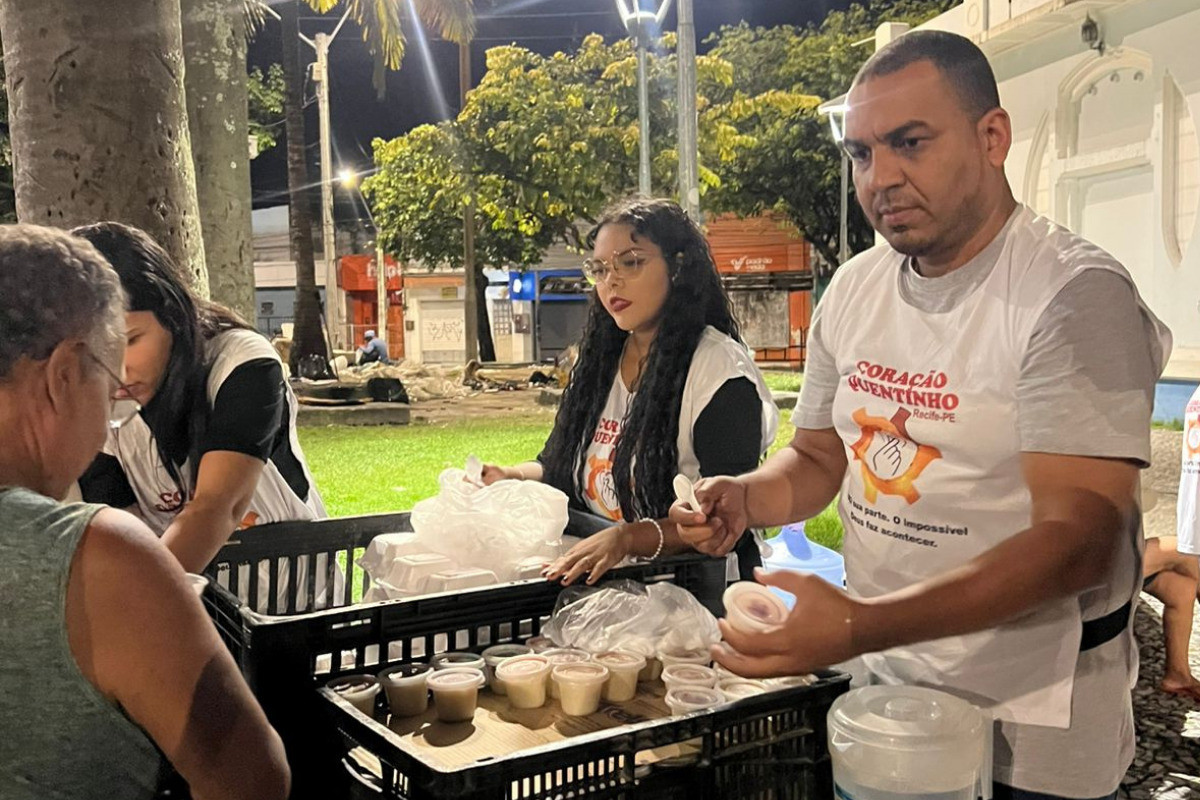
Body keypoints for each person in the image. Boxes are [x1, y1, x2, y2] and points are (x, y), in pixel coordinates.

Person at [672, 31, 1170, 800]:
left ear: (993, 137)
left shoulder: (1071, 295)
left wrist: (852, 627)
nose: (882, 177)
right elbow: (819, 459)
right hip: (893, 691)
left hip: (1037, 721)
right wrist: (746, 495)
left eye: (910, 142)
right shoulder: (856, 288)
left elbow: (1080, 542)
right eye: (863, 154)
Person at [0, 224, 289, 799]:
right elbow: (254, 783)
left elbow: (219, 504)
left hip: (279, 591)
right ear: (62, 375)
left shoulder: (241, 363)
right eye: (107, 371)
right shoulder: (104, 560)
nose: (119, 391)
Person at [484, 197, 779, 586]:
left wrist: (628, 539)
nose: (612, 281)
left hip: (701, 597)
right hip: (614, 595)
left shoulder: (719, 372)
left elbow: (723, 520)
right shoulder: (600, 360)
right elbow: (559, 468)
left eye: (631, 262)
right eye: (601, 269)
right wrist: (509, 475)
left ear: (676, 267)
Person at [75, 222, 327, 578]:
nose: (114, 369)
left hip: (292, 602)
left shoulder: (242, 364)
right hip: (190, 604)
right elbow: (122, 528)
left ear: (172, 315)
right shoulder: (94, 406)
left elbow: (218, 506)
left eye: (129, 340)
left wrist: (134, 606)